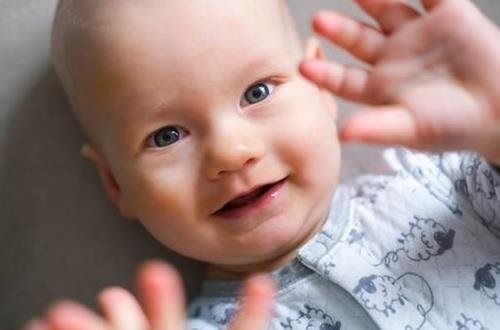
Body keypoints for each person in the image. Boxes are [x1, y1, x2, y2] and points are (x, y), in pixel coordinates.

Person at [24, 0, 500, 328]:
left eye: (257, 92)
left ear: (322, 89)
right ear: (116, 184)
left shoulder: (445, 178)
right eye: (166, 136)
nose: (232, 153)